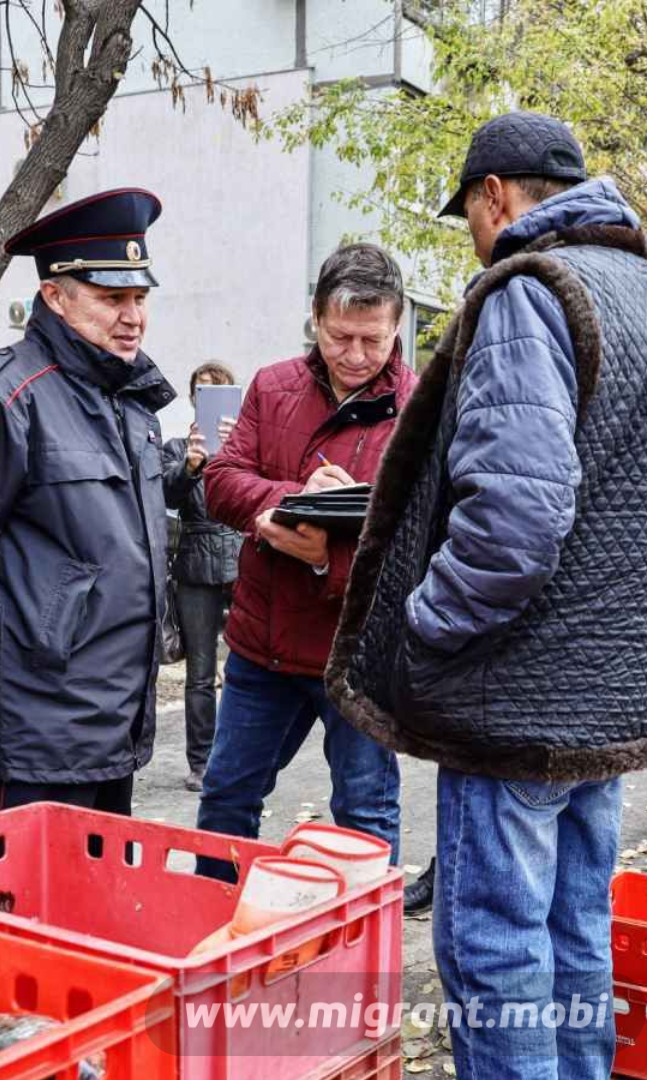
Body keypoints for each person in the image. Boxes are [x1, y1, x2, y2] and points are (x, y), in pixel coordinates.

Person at [326, 112, 647, 1080]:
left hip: (516, 706)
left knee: (497, 953)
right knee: (577, 939)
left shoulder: (527, 292)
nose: (470, 232)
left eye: (468, 213)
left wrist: (427, 621)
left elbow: (515, 519)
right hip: (616, 702)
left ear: (494, 196)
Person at [0, 189, 176, 816]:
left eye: (139, 298)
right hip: (42, 720)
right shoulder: (5, 397)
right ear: (55, 296)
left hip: (116, 716)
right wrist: (37, 628)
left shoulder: (130, 399)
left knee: (97, 906)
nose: (132, 317)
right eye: (112, 298)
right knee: (28, 909)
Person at [196, 243, 417, 880]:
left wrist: (328, 557)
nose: (354, 356)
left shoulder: (422, 408)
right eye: (339, 336)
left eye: (371, 340)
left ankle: (361, 954)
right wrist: (286, 505)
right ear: (316, 319)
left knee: (366, 814)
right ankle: (213, 928)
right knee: (228, 797)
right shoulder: (273, 387)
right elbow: (221, 479)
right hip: (262, 646)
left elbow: (424, 537)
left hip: (358, 654)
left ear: (396, 325)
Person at [162, 362, 242, 792]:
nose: (207, 398)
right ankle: (201, 762)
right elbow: (166, 495)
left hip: (241, 559)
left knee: (249, 670)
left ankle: (239, 757)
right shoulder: (178, 448)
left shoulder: (246, 445)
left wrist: (234, 453)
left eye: (219, 392)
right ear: (192, 398)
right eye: (201, 392)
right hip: (195, 562)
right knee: (200, 672)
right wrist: (192, 465)